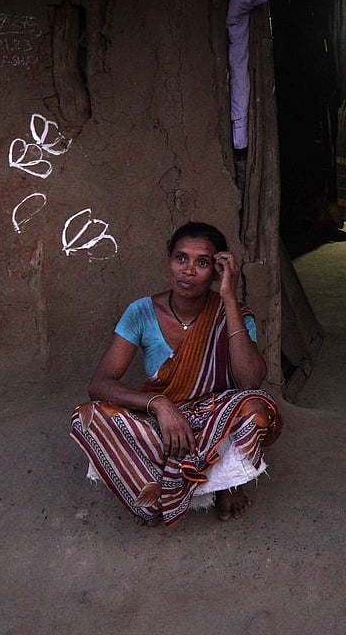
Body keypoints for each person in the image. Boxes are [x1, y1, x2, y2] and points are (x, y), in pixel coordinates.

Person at [71, 221, 283, 526]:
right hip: (164, 423)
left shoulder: (232, 313)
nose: (188, 270)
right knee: (86, 417)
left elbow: (250, 381)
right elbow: (100, 383)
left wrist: (229, 298)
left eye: (202, 263)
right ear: (168, 261)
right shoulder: (141, 312)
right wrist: (159, 404)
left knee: (255, 408)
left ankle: (227, 483)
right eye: (181, 258)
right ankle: (167, 484)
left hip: (215, 420)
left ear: (218, 270)